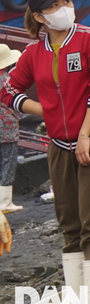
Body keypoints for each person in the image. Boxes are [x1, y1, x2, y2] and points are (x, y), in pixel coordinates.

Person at [0, 0, 90, 304]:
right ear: (39, 16)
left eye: (67, 0)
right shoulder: (35, 53)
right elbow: (8, 89)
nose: (65, 7)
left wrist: (84, 133)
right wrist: (43, 110)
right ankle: (75, 296)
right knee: (69, 222)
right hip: (59, 144)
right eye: (56, 4)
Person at [0, 44, 23, 213]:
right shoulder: (8, 81)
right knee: (8, 161)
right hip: (7, 126)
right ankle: (5, 202)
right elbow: (17, 105)